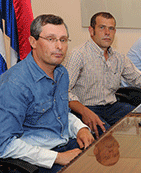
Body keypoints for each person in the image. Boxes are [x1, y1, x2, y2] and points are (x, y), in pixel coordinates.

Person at [66, 12, 141, 138]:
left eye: (111, 28)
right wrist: (85, 112)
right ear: (91, 31)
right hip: (87, 108)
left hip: (113, 106)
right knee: (106, 136)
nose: (107, 32)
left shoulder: (118, 57)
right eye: (102, 28)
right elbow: (64, 92)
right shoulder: (78, 55)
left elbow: (139, 78)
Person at [0, 14, 94, 172]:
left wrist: (80, 128)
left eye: (63, 40)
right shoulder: (15, 83)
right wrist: (57, 157)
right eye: (51, 39)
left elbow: (60, 113)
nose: (59, 46)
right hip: (33, 160)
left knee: (106, 157)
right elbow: (4, 145)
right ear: (33, 42)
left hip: (63, 143)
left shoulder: (61, 73)